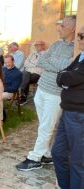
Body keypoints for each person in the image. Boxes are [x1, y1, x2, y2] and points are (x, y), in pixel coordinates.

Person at [16, 15, 76, 171]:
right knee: (45, 125)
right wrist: (56, 65)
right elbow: (40, 61)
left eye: (62, 26)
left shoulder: (76, 49)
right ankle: (47, 154)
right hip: (42, 88)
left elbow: (67, 67)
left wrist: (52, 63)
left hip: (56, 93)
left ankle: (34, 158)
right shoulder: (56, 44)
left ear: (72, 28)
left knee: (46, 127)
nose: (58, 28)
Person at [52, 26, 84, 189]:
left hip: (79, 115)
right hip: (67, 112)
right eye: (79, 35)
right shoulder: (81, 56)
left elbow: (72, 77)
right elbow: (63, 74)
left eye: (82, 35)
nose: (78, 39)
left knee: (78, 161)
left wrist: (64, 78)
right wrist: (64, 77)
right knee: (57, 153)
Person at [19, 41, 46, 105]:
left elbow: (41, 64)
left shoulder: (45, 54)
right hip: (28, 72)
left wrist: (31, 64)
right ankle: (23, 96)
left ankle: (23, 96)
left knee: (25, 79)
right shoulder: (32, 53)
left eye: (38, 45)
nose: (36, 46)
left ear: (43, 46)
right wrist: (35, 65)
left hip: (38, 74)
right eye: (36, 45)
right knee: (25, 75)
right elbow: (25, 63)